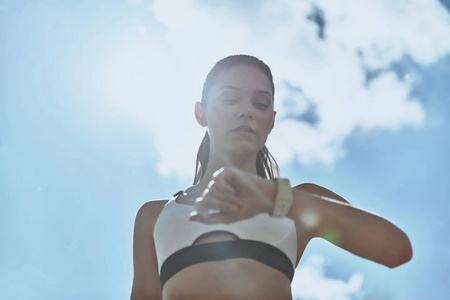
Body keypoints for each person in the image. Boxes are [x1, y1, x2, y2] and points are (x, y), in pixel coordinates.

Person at [130, 55, 413, 300]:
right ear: (200, 112)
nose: (246, 111)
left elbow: (396, 250)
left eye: (260, 103)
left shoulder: (296, 202)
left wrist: (275, 197)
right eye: (230, 99)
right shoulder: (153, 215)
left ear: (272, 121)